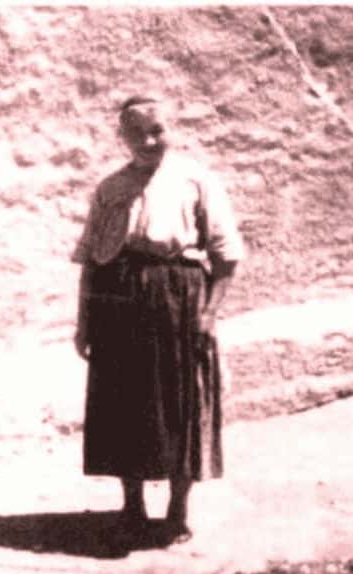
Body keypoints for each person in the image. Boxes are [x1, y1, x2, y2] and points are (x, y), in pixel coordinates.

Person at [71, 95, 245, 546]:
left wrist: (208, 314)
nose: (148, 141)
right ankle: (132, 509)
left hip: (178, 299)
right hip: (118, 300)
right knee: (122, 404)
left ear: (171, 129)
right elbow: (90, 260)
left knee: (180, 403)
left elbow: (226, 257)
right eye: (137, 133)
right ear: (122, 137)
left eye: (157, 130)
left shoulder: (195, 180)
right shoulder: (110, 188)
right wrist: (84, 322)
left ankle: (177, 511)